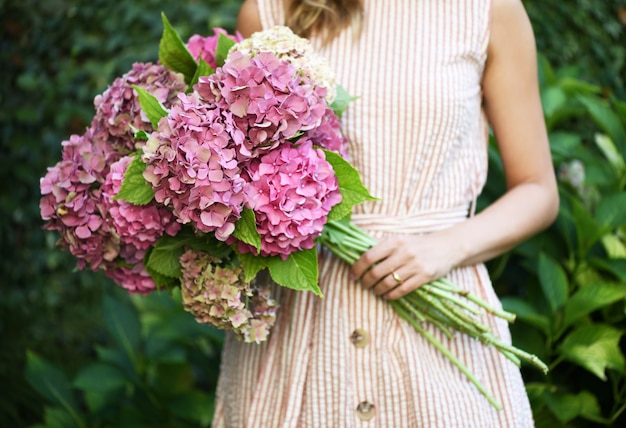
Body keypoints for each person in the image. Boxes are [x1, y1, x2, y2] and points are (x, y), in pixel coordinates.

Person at [212, 0, 559, 426]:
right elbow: (237, 161)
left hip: (439, 324)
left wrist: (446, 247)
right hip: (299, 323)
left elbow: (538, 189)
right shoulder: (269, 11)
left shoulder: (488, 11)